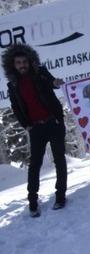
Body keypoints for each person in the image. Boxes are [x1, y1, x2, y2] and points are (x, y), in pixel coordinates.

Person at [2, 43, 67, 217]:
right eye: (18, 63)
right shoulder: (13, 85)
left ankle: (60, 196)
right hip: (36, 128)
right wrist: (26, 125)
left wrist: (56, 82)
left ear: (30, 61)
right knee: (34, 165)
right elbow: (16, 108)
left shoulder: (40, 73)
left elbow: (52, 82)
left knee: (59, 159)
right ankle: (32, 201)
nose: (22, 65)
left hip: (53, 123)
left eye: (24, 61)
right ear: (13, 65)